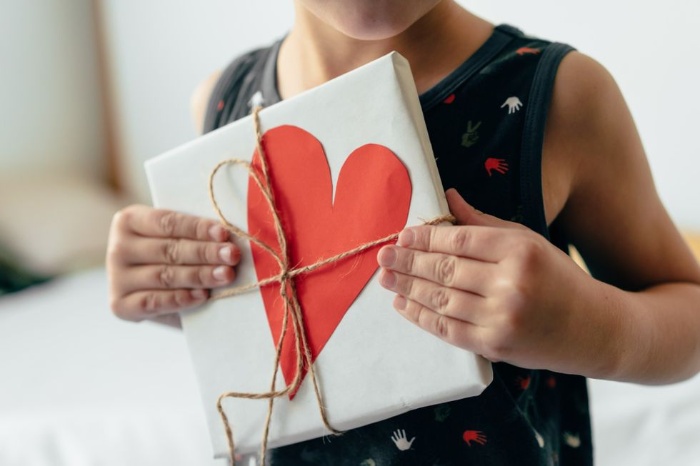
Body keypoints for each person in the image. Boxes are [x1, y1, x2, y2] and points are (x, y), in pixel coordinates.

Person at [106, 1, 700, 464]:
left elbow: (688, 311)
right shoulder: (223, 105)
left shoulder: (565, 97)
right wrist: (175, 292)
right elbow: (259, 320)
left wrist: (591, 326)